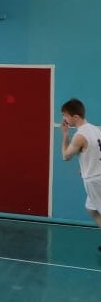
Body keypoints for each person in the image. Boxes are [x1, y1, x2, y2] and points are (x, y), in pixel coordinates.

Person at [60, 98, 101, 252]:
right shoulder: (95, 129)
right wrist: (84, 166)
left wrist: (65, 135)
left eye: (65, 115)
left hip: (94, 180)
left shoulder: (80, 136)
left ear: (75, 117)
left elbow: (65, 156)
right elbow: (94, 152)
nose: (64, 119)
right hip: (96, 175)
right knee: (91, 209)